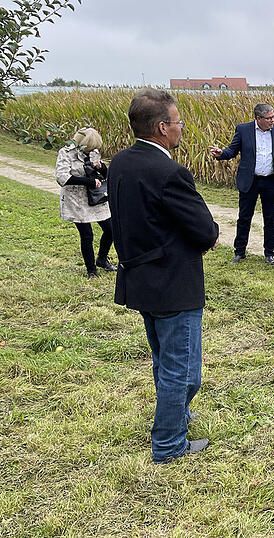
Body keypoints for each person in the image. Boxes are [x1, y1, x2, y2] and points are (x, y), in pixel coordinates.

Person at [107, 88, 220, 463]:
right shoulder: (170, 172)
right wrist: (211, 235)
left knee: (163, 360)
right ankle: (169, 444)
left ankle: (178, 415)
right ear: (161, 127)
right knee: (183, 371)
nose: (181, 128)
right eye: (177, 122)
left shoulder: (120, 162)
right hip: (172, 284)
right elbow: (204, 230)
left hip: (140, 278)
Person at [209, 103, 274, 264]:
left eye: (273, 117)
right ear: (258, 118)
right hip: (250, 180)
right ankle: (240, 251)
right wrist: (221, 153)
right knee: (244, 217)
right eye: (269, 118)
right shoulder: (243, 130)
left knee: (270, 218)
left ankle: (269, 253)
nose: (272, 120)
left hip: (271, 181)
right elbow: (232, 150)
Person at [54, 127, 117, 278]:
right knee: (87, 235)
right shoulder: (66, 152)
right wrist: (88, 181)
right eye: (90, 148)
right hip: (76, 199)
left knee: (111, 229)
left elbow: (105, 174)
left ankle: (102, 259)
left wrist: (101, 167)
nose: (92, 151)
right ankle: (91, 270)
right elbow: (62, 178)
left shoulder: (94, 152)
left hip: (96, 197)